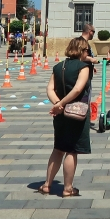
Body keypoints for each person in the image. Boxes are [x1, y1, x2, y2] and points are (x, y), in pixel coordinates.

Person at [40, 36, 93, 197]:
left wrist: (57, 104)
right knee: (71, 150)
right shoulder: (83, 67)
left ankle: (47, 184)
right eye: (87, 51)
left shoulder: (58, 66)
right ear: (83, 51)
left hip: (60, 114)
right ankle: (68, 188)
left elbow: (49, 89)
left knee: (58, 149)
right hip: (76, 112)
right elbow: (78, 89)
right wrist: (62, 103)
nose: (87, 54)